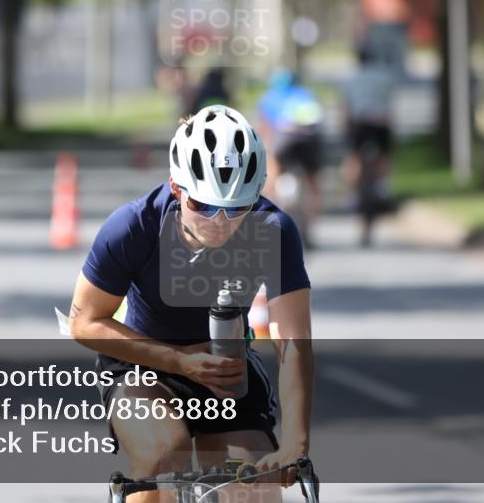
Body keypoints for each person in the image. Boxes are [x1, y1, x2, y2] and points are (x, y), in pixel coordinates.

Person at [69, 105, 314, 503]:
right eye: (203, 205)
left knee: (255, 488)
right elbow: (84, 322)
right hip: (144, 366)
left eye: (237, 208)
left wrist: (295, 444)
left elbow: (294, 341)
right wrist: (179, 361)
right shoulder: (134, 226)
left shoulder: (274, 230)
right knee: (165, 456)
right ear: (176, 187)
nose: (220, 220)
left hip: (225, 365)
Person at [256, 69, 324, 244]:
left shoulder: (269, 97)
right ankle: (311, 226)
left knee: (272, 171)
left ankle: (267, 216)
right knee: (312, 181)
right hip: (310, 138)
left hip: (285, 137)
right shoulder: (306, 94)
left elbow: (265, 128)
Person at [341, 45, 397, 222]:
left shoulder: (351, 79)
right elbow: (389, 103)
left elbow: (346, 107)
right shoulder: (384, 77)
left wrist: (345, 129)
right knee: (384, 156)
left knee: (354, 157)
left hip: (360, 124)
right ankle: (383, 186)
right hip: (380, 122)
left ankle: (354, 192)